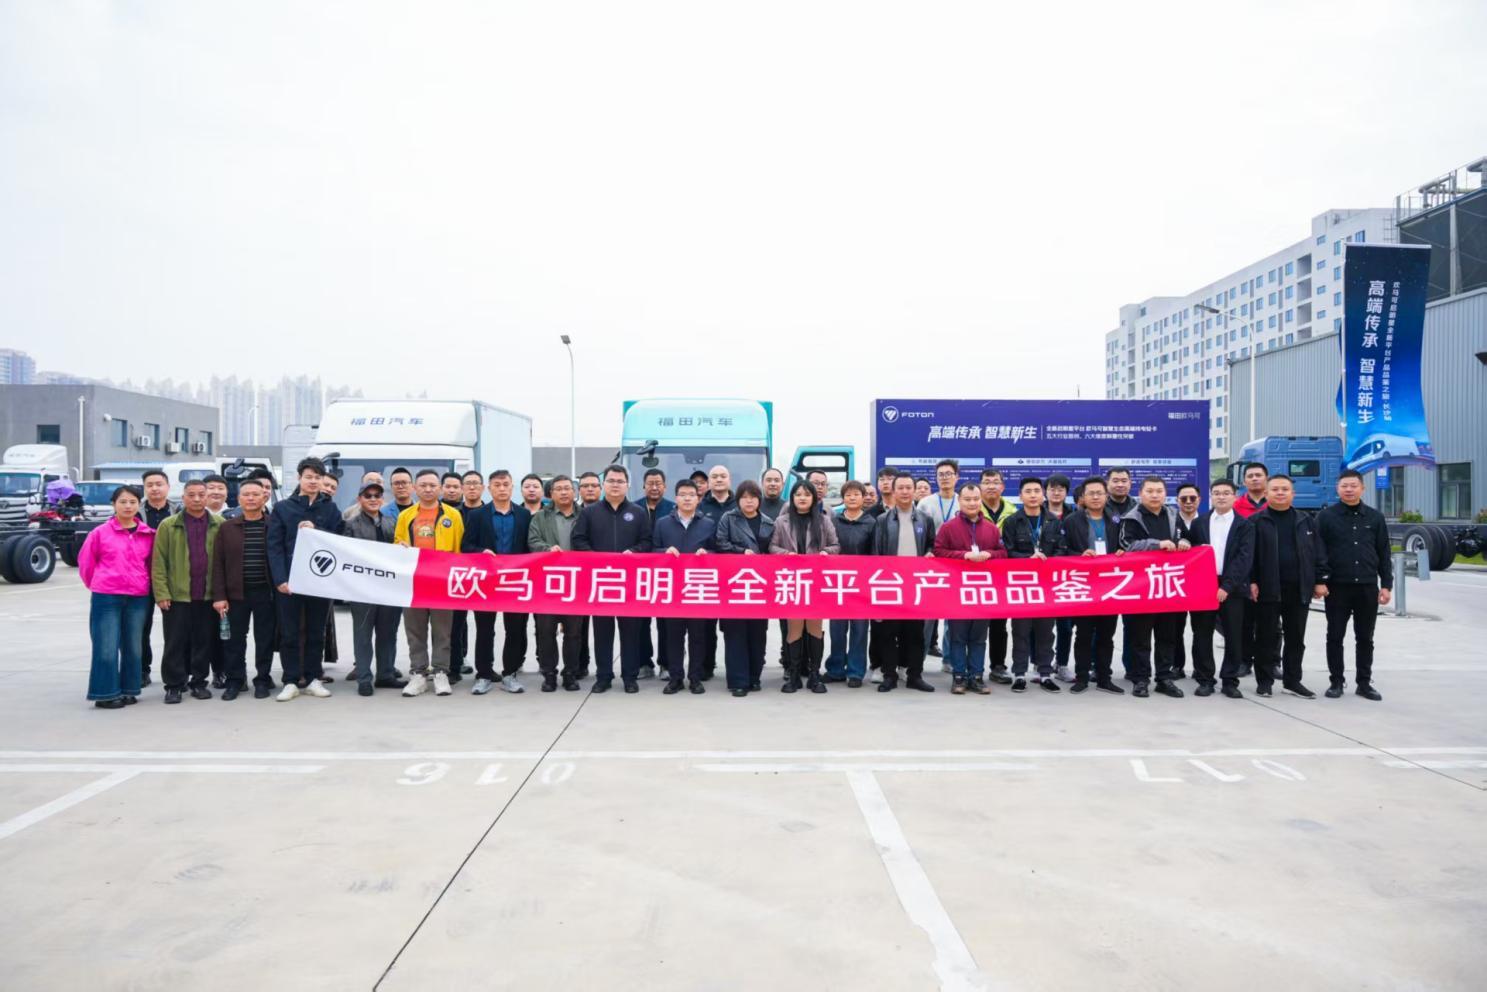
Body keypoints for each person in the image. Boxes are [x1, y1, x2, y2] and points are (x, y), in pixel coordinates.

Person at [267, 457, 346, 701]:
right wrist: (280, 579)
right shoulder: (283, 508)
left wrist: (316, 531)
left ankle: (313, 678)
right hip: (289, 582)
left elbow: (339, 542)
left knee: (316, 633)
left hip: (319, 581)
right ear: (299, 478)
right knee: (289, 633)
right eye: (308, 477)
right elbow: (274, 546)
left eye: (317, 477)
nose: (313, 481)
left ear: (323, 480)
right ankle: (290, 680)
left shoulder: (330, 509)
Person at [572, 464, 652, 693]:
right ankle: (604, 676)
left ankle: (630, 677)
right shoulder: (590, 512)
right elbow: (578, 540)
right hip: (602, 582)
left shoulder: (638, 512)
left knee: (631, 633)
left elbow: (647, 541)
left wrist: (634, 552)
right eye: (611, 481)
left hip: (629, 583)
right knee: (602, 633)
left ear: (627, 485)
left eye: (620, 481)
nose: (615, 485)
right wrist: (595, 557)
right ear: (603, 484)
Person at [1249, 474, 1328, 699]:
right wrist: (1252, 581)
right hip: (1267, 589)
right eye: (1275, 489)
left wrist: (1320, 580)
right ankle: (1264, 682)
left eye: (1285, 489)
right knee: (1265, 637)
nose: (1280, 493)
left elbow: (1318, 552)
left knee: (1296, 638)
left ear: (1293, 493)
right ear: (1266, 493)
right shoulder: (1256, 521)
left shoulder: (1306, 520)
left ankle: (1293, 681)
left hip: (1299, 588)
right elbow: (1249, 556)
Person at [1316, 470, 1391, 701]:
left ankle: (1364, 683)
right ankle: (1336, 682)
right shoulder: (1325, 517)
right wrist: (1320, 581)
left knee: (1365, 637)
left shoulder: (1375, 517)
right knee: (1335, 636)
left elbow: (1384, 552)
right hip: (1337, 587)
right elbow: (1318, 551)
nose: (1349, 489)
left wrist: (1386, 585)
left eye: (1353, 485)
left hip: (1367, 586)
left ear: (1362, 488)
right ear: (1337, 488)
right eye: (1344, 486)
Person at [79, 485, 155, 708]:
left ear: (139, 505)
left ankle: (130, 689)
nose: (128, 506)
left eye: (132, 502)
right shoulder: (99, 533)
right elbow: (86, 564)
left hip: (138, 597)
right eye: (123, 502)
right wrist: (99, 583)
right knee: (106, 646)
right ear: (114, 504)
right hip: (107, 596)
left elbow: (152, 566)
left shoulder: (148, 535)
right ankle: (105, 694)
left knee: (133, 647)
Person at [392, 469, 466, 697]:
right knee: (415, 630)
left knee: (442, 631)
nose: (428, 489)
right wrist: (400, 547)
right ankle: (418, 673)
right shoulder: (406, 515)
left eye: (432, 485)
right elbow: (397, 542)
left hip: (441, 581)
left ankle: (441, 672)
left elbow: (459, 549)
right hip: (414, 581)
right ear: (415, 488)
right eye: (423, 485)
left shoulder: (452, 515)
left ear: (440, 488)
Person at [1182, 479, 1254, 699]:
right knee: (1202, 634)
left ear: (1234, 496)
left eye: (1226, 493)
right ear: (1211, 497)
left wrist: (1227, 586)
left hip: (1233, 587)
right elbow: (1190, 551)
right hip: (1204, 584)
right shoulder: (1199, 523)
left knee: (1233, 635)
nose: (1221, 497)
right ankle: (1205, 679)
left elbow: (1244, 558)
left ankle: (1230, 680)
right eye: (1217, 493)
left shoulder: (1245, 525)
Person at [1118, 475, 1190, 699]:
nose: (1155, 495)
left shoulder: (1173, 515)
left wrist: (1185, 542)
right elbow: (1126, 545)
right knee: (1140, 638)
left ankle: (1164, 678)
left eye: (1159, 491)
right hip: (1141, 587)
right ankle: (1140, 679)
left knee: (1167, 636)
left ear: (1165, 494)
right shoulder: (1131, 518)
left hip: (1167, 585)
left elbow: (1186, 538)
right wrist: (1157, 545)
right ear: (1140, 493)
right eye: (1150, 491)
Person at [933, 481, 1007, 695]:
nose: (972, 503)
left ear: (980, 500)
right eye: (967, 499)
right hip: (957, 590)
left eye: (976, 499)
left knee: (978, 637)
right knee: (957, 636)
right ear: (960, 500)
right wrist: (963, 555)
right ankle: (959, 676)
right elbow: (938, 552)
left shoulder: (991, 529)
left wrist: (989, 554)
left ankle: (976, 676)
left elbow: (1003, 553)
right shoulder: (948, 528)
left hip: (983, 591)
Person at [151, 479, 221, 704]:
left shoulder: (219, 524)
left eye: (201, 494)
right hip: (177, 596)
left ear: (208, 497)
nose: (197, 499)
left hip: (207, 596)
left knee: (203, 642)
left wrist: (221, 594)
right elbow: (158, 562)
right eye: (191, 495)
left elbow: (224, 562)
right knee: (175, 642)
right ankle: (174, 685)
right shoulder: (169, 525)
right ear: (183, 498)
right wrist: (162, 593)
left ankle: (199, 682)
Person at [462, 470, 532, 695]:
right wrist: (481, 552)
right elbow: (466, 546)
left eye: (505, 484)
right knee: (484, 629)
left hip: (515, 580)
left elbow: (530, 547)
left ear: (512, 487)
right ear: (488, 488)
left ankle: (510, 674)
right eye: (497, 485)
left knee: (515, 629)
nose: (502, 488)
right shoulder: (477, 516)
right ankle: (483, 675)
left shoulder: (524, 515)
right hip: (486, 581)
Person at [209, 478, 279, 700]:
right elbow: (218, 564)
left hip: (266, 593)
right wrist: (219, 596)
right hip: (235, 594)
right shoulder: (227, 527)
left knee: (265, 638)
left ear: (264, 497)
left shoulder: (273, 525)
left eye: (255, 494)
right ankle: (235, 680)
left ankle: (262, 679)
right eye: (246, 494)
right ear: (238, 499)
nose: (250, 498)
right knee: (234, 640)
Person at [769, 480, 839, 693]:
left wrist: (826, 552)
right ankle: (794, 675)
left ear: (814, 498)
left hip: (816, 581)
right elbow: (772, 546)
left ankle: (814, 674)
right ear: (792, 498)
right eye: (798, 494)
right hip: (793, 581)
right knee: (794, 627)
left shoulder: (823, 521)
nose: (802, 498)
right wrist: (785, 554)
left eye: (807, 494)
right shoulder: (781, 521)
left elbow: (835, 545)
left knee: (815, 628)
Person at [871, 471, 936, 692]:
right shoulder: (882, 520)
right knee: (889, 633)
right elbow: (876, 554)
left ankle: (914, 676)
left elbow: (931, 544)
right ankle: (889, 676)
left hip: (915, 585)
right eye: (901, 488)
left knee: (915, 634)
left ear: (915, 491)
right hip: (891, 584)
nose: (905, 492)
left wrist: (930, 553)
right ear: (894, 491)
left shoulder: (925, 519)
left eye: (909, 487)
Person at [1058, 477, 1124, 694]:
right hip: (1083, 584)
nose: (1095, 497)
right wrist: (1079, 555)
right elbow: (1062, 550)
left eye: (1099, 493)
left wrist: (1122, 552)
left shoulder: (1116, 520)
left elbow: (1125, 544)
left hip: (1109, 585)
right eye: (1091, 493)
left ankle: (1104, 677)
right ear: (1083, 497)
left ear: (1106, 496)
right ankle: (1082, 677)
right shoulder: (1071, 521)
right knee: (1084, 634)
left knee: (1106, 635)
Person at [340, 480, 406, 695]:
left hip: (389, 589)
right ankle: (364, 678)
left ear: (382, 499)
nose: (373, 499)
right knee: (363, 635)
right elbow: (344, 556)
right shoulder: (351, 524)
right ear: (359, 499)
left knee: (388, 633)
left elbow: (400, 549)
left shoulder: (391, 522)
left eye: (377, 495)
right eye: (368, 496)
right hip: (362, 590)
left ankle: (385, 675)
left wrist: (402, 547)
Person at [653, 479, 718, 694]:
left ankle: (695, 678)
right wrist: (664, 552)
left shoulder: (708, 524)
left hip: (697, 588)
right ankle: (676, 677)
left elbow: (718, 552)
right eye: (683, 494)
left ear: (698, 499)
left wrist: (707, 554)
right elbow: (651, 550)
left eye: (692, 494)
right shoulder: (663, 523)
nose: (687, 498)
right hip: (672, 589)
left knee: (698, 636)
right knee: (673, 636)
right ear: (676, 498)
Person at [1002, 477, 1063, 694]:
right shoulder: (1012, 522)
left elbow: (1062, 550)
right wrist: (1028, 559)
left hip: (1047, 585)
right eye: (1028, 491)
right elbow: (1007, 552)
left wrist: (1048, 560)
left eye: (1037, 491)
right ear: (1020, 496)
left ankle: (1045, 674)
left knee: (1046, 632)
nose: (1033, 495)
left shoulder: (1054, 521)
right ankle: (1019, 674)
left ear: (1043, 494)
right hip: (1022, 585)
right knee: (1020, 631)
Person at [715, 480, 774, 696]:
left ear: (759, 499)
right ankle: (738, 681)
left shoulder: (768, 522)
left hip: (760, 586)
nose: (749, 501)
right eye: (744, 497)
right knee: (735, 634)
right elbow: (720, 543)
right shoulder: (728, 518)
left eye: (753, 497)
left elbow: (774, 549)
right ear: (738, 500)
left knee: (758, 634)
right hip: (734, 584)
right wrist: (741, 552)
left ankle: (754, 677)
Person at [528, 475, 584, 691]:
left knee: (574, 632)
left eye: (567, 488)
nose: (563, 492)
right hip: (547, 583)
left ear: (574, 492)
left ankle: (570, 673)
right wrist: (547, 549)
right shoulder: (540, 517)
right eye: (558, 489)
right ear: (551, 494)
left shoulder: (585, 516)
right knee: (546, 631)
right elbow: (533, 541)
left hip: (576, 583)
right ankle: (549, 674)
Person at [826, 481, 875, 687]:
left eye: (856, 494)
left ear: (863, 498)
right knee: (837, 630)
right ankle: (836, 669)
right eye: (848, 495)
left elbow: (875, 554)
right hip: (838, 583)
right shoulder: (834, 522)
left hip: (862, 585)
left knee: (859, 630)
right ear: (843, 498)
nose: (852, 498)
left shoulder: (871, 523)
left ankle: (855, 672)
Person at [917, 459, 961, 666]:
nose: (945, 478)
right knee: (927, 616)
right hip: (931, 566)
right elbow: (920, 533)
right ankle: (918, 661)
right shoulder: (926, 503)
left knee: (954, 616)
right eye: (941, 474)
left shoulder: (963, 500)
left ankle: (950, 660)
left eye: (949, 474)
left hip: (957, 565)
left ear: (956, 477)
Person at [138, 468, 178, 687]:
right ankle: (142, 670)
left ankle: (177, 673)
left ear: (167, 487)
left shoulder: (178, 511)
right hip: (142, 578)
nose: (154, 488)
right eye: (150, 485)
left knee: (174, 629)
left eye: (159, 484)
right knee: (140, 628)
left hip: (170, 578)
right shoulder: (135, 511)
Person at [448, 470, 488, 684]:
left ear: (483, 487)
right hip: (457, 576)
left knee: (485, 627)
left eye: (476, 483)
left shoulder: (490, 512)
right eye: (468, 483)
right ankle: (454, 667)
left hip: (485, 578)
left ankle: (486, 669)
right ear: (462, 488)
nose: (472, 487)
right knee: (455, 625)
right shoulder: (451, 514)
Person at [978, 468, 1016, 686]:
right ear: (980, 486)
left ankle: (998, 666)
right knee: (972, 625)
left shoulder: (1013, 511)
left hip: (1002, 577)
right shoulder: (969, 508)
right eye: (986, 482)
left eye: (995, 482)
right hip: (973, 577)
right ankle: (971, 668)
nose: (991, 486)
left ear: (1002, 486)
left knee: (999, 625)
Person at [697, 465, 736, 678]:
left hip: (734, 574)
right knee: (706, 625)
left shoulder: (739, 504)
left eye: (723, 476)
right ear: (708, 482)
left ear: (729, 480)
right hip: (707, 574)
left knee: (732, 626)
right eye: (714, 477)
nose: (719, 479)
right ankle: (706, 666)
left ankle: (735, 668)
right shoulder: (700, 505)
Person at [637, 467, 676, 681]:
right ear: (644, 486)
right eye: (650, 483)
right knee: (641, 622)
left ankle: (666, 664)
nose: (654, 487)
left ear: (665, 487)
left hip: (666, 574)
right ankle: (644, 663)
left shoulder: (673, 509)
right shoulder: (634, 508)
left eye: (658, 483)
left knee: (666, 623)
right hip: (640, 574)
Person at [1167, 481, 1205, 679]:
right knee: (1175, 628)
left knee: (1201, 629)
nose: (1188, 502)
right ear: (1177, 500)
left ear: (1200, 500)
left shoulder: (1208, 521)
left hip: (1201, 583)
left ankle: (1200, 668)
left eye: (1192, 498)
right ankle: (1176, 666)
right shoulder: (1170, 521)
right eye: (1184, 498)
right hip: (1176, 581)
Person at [1044, 472, 1077, 683]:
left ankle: (1062, 664)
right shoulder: (1037, 514)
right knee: (1041, 626)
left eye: (1061, 489)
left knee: (1066, 625)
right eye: (1052, 489)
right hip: (1042, 578)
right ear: (1046, 491)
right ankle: (1042, 663)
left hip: (1067, 578)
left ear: (1066, 492)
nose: (1056, 493)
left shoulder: (1075, 515)